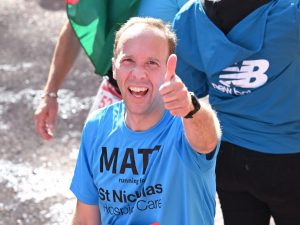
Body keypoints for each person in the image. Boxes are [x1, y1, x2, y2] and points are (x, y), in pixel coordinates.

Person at [70, 17, 221, 225]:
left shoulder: (184, 123)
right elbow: (86, 220)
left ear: (169, 70)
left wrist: (190, 107)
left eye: (152, 63)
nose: (139, 74)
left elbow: (208, 140)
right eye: (128, 61)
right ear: (114, 68)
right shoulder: (97, 128)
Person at [173, 0, 300, 224]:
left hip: (228, 154)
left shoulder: (189, 16)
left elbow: (194, 85)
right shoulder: (291, 11)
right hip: (288, 156)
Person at [34, 0, 189, 140]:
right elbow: (77, 24)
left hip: (163, 106)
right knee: (97, 165)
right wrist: (50, 93)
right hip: (115, 90)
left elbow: (206, 37)